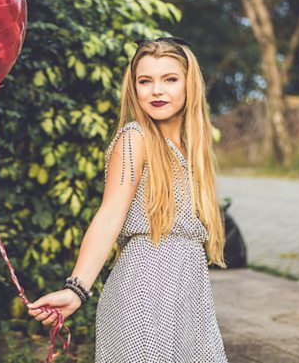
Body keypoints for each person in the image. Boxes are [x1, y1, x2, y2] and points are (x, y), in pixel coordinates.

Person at [27, 37, 229, 362]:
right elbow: (110, 215)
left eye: (170, 79)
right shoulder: (136, 138)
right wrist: (76, 288)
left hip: (188, 293)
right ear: (133, 88)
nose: (156, 91)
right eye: (145, 81)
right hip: (144, 287)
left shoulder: (192, 148)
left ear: (190, 84)